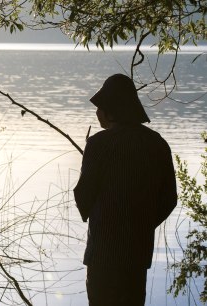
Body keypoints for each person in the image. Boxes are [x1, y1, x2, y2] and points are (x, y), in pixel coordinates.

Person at [73, 74, 177, 306]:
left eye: (100, 107)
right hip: (136, 254)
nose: (97, 112)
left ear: (111, 110)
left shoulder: (98, 144)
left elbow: (84, 195)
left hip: (102, 253)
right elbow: (169, 199)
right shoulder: (157, 143)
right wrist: (142, 222)